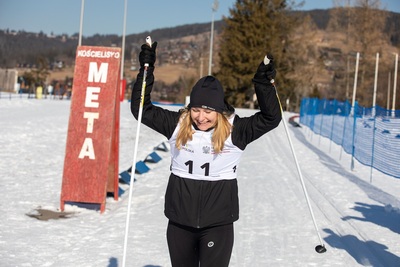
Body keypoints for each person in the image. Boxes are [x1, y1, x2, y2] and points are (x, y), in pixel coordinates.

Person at [131, 40, 282, 267]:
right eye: (196, 109)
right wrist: (146, 68)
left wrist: (262, 84)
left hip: (217, 225)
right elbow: (141, 109)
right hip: (180, 223)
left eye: (208, 111)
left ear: (219, 110)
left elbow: (271, 118)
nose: (201, 117)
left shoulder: (236, 131)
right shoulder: (177, 124)